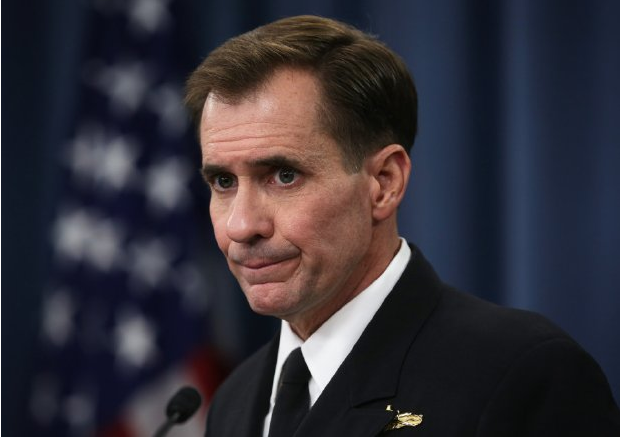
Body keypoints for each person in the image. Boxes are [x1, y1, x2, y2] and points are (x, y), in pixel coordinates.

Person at [185, 15, 620, 437]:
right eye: (223, 182)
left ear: (383, 183)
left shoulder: (522, 378)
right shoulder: (234, 400)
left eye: (284, 176)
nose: (241, 225)